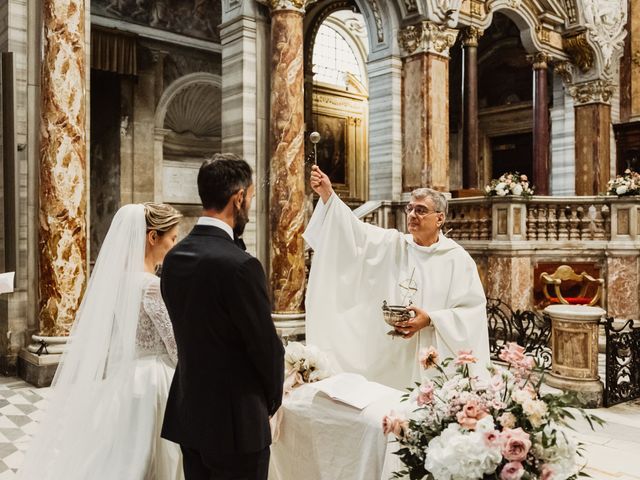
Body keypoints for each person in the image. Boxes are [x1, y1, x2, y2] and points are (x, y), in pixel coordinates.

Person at [19, 202, 184, 480]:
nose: (174, 246)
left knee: (125, 456)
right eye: (172, 238)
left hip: (127, 379)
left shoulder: (119, 281)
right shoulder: (152, 286)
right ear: (153, 237)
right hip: (156, 382)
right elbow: (175, 345)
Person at [304, 165, 490, 389]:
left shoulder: (457, 260)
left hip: (433, 356)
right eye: (410, 209)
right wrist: (328, 194)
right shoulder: (394, 244)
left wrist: (430, 319)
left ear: (440, 219)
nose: (412, 215)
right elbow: (356, 234)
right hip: (394, 352)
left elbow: (472, 312)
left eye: (420, 210)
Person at [161, 153, 284, 480]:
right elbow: (267, 350)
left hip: (190, 414)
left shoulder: (174, 258)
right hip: (238, 424)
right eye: (251, 198)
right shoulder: (241, 265)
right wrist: (268, 404)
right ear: (238, 197)